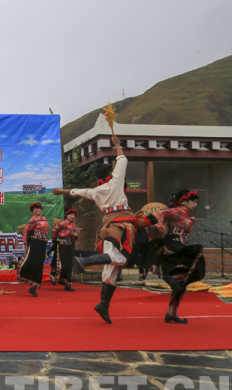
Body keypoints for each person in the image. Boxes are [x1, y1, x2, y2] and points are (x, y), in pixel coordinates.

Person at [53, 135, 157, 323]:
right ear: (110, 173)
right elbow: (123, 160)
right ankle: (85, 261)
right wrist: (117, 145)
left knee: (110, 272)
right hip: (120, 228)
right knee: (120, 258)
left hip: (106, 228)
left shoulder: (95, 192)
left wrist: (61, 191)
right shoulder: (115, 184)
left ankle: (103, 305)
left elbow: (77, 191)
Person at [144, 190, 206, 324]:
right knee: (196, 254)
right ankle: (170, 277)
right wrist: (159, 225)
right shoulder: (178, 211)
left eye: (196, 202)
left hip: (181, 246)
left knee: (182, 284)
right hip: (173, 245)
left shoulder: (187, 215)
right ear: (184, 202)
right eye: (193, 201)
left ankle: (171, 313)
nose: (196, 204)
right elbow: (161, 213)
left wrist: (192, 222)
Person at [16, 202, 49, 297]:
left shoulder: (45, 219)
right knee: (34, 264)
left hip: (42, 244)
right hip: (35, 243)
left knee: (39, 266)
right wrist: (25, 244)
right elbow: (25, 231)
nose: (36, 210)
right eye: (34, 209)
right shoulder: (32, 220)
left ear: (41, 209)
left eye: (37, 208)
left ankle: (33, 287)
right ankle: (18, 265)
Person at [49, 208, 78, 291]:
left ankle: (68, 285)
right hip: (62, 245)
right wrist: (55, 239)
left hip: (70, 245)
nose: (72, 216)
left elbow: (75, 238)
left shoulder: (74, 226)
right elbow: (54, 230)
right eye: (71, 215)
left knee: (69, 265)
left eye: (74, 215)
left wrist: (75, 236)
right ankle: (53, 275)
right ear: (67, 215)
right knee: (63, 264)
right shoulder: (63, 223)